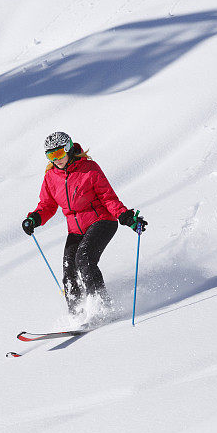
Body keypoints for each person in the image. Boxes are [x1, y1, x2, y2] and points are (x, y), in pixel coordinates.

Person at [22, 131, 147, 316]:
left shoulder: (89, 169)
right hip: (76, 230)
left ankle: (102, 307)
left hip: (101, 221)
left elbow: (108, 197)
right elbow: (47, 205)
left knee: (84, 259)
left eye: (58, 154)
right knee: (69, 271)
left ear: (68, 149)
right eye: (50, 155)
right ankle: (77, 314)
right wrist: (35, 218)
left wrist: (126, 216)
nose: (55, 159)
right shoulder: (51, 177)